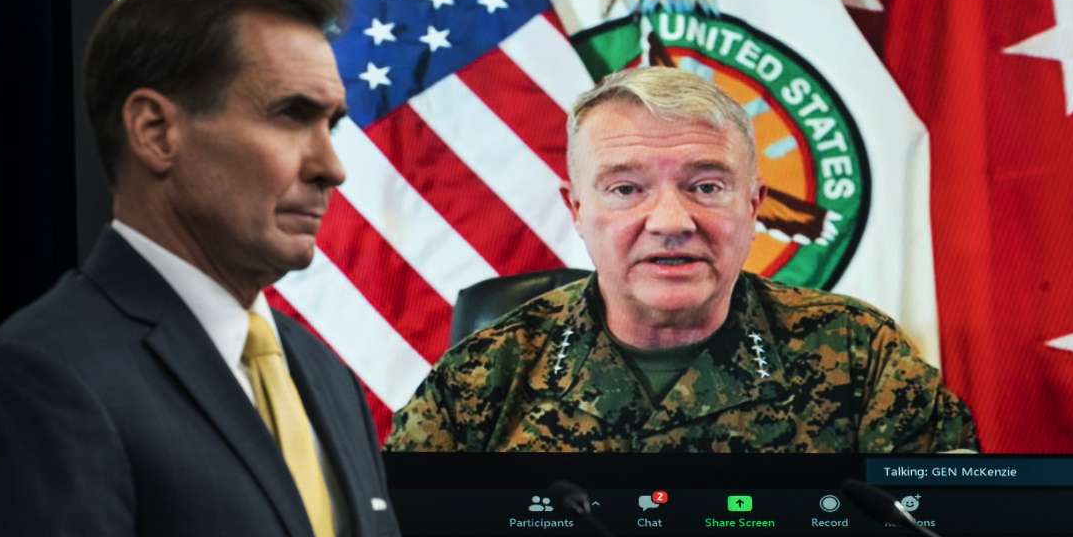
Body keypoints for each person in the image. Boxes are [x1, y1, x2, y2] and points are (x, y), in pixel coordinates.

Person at [0, 0, 418, 537]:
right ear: (156, 132)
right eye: (291, 116)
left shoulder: (325, 377)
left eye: (331, 122)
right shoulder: (46, 374)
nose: (332, 165)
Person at [386, 66, 977, 454]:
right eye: (625, 189)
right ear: (577, 210)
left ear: (754, 206)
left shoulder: (858, 353)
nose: (671, 222)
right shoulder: (487, 374)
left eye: (706, 186)